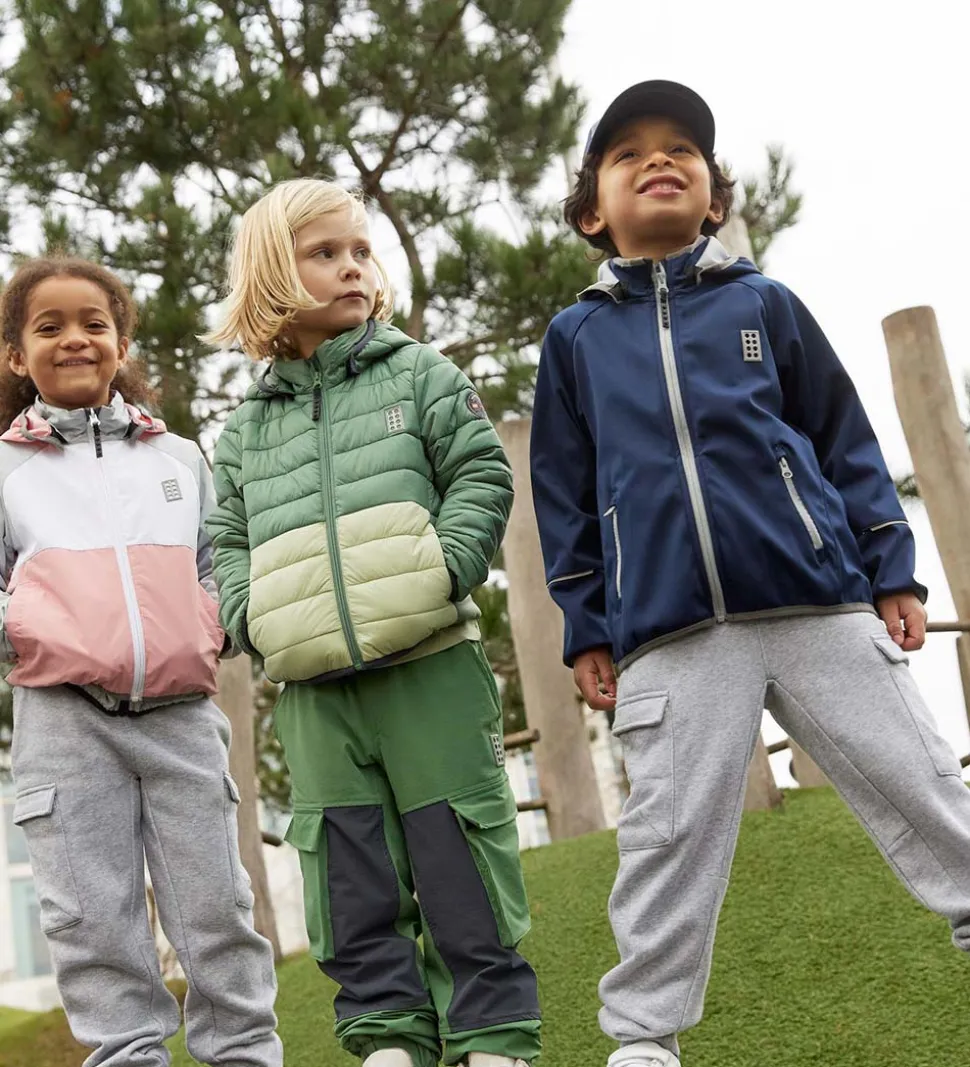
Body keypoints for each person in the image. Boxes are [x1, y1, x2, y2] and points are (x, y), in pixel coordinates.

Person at [530, 79, 970, 1067]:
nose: (660, 158)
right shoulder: (575, 339)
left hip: (818, 599)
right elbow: (563, 492)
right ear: (593, 211)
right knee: (666, 836)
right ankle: (645, 1037)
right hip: (668, 630)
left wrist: (890, 568)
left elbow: (843, 439)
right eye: (629, 152)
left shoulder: (763, 303)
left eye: (681, 149)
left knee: (923, 780)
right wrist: (587, 622)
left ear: (715, 198)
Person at [204, 178, 541, 1067]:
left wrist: (444, 569)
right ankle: (389, 1037)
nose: (352, 266)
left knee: (460, 855)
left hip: (431, 663)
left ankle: (491, 1037)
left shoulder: (420, 373)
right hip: (314, 690)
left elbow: (481, 473)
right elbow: (225, 540)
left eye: (360, 250)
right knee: (348, 872)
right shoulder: (241, 434)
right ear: (272, 276)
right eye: (325, 253)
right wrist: (252, 616)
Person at [0, 257, 282, 1067]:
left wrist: (204, 625)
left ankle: (245, 1052)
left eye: (94, 323)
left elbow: (219, 563)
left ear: (121, 345)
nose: (75, 338)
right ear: (17, 355)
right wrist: (32, 632)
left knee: (217, 907)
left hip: (180, 715)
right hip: (63, 722)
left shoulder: (180, 458)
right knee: (92, 921)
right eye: (49, 326)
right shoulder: (7, 470)